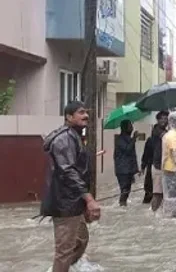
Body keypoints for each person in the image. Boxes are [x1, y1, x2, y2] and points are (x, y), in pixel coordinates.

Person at [41, 101, 101, 272]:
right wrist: (89, 199)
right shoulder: (64, 138)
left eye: (87, 112)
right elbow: (67, 171)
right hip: (64, 204)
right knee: (64, 251)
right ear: (68, 117)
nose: (86, 116)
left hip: (74, 202)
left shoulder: (74, 136)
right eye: (81, 112)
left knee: (81, 240)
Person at [141, 111, 169, 208]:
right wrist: (143, 166)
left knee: (161, 193)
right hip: (154, 166)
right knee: (151, 192)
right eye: (162, 118)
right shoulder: (157, 134)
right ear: (158, 120)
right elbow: (146, 154)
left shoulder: (166, 134)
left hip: (163, 166)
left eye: (166, 118)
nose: (164, 120)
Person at [113, 120, 140, 207]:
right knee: (124, 190)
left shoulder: (128, 138)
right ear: (125, 128)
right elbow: (127, 150)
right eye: (130, 126)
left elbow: (132, 156)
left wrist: (134, 170)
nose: (132, 128)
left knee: (127, 190)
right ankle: (122, 205)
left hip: (128, 170)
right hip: (122, 170)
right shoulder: (120, 139)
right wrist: (134, 138)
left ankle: (123, 206)